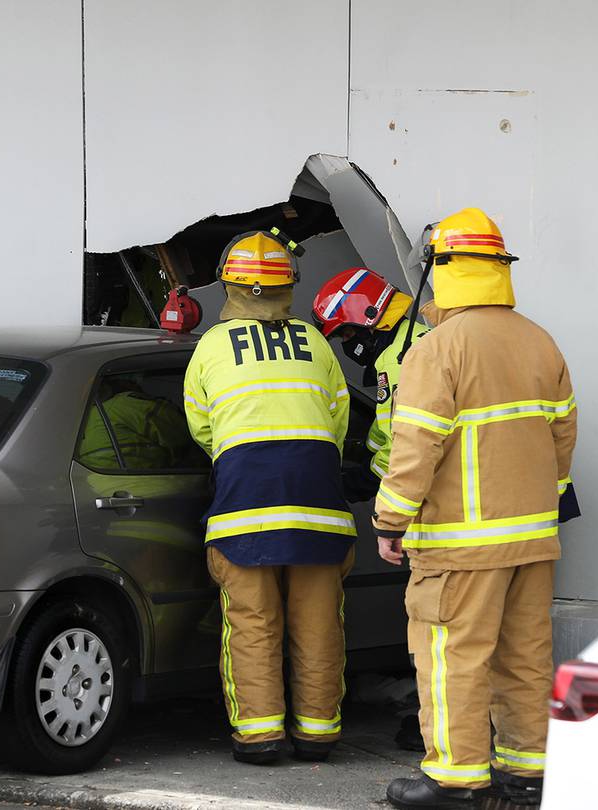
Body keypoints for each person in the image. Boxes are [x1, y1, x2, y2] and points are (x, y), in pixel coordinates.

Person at [373, 209, 575, 809]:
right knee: (525, 658)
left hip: (461, 546)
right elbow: (563, 439)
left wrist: (390, 521)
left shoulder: (438, 349)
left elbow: (415, 448)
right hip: (533, 540)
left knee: (451, 657)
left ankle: (456, 780)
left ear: (443, 271)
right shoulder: (540, 340)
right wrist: (544, 505)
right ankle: (527, 776)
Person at [183, 230, 357, 765]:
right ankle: (317, 735)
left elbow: (202, 428)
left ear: (229, 286)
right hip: (320, 506)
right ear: (290, 286)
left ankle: (259, 737)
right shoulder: (316, 343)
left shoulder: (211, 347)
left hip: (244, 506)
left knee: (252, 624)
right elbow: (338, 421)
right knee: (319, 623)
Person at [311, 267, 437, 489]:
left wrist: (362, 481)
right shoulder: (419, 335)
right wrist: (364, 451)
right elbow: (386, 423)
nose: (347, 344)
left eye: (347, 334)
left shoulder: (396, 363)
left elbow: (402, 448)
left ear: (367, 318)